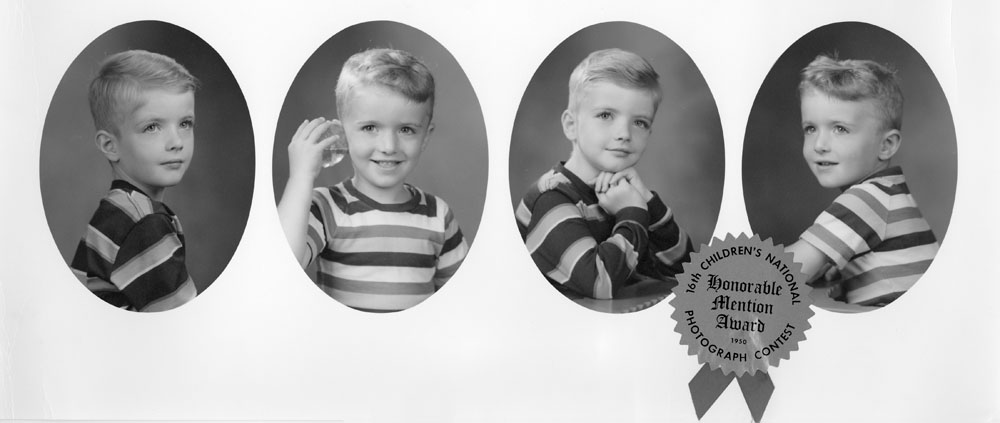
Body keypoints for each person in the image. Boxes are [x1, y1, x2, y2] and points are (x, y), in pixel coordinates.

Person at [278, 48, 469, 313]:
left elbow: (460, 304)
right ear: (342, 134)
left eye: (406, 130)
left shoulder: (439, 215)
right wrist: (300, 177)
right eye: (370, 128)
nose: (389, 146)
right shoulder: (327, 207)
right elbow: (284, 268)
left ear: (425, 136)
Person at [516, 48, 693, 302]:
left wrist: (647, 202)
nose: (624, 133)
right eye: (606, 115)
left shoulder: (624, 193)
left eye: (640, 122)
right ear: (571, 126)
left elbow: (688, 271)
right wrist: (632, 212)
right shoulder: (552, 198)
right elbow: (601, 285)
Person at [786, 55, 939, 307]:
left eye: (840, 129)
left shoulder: (864, 200)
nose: (820, 145)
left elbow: (784, 273)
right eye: (810, 128)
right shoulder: (889, 193)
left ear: (886, 145)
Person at [70, 50, 199, 312]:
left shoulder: (119, 212)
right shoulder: (142, 225)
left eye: (185, 123)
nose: (176, 142)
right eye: (152, 127)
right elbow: (185, 325)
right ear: (110, 145)